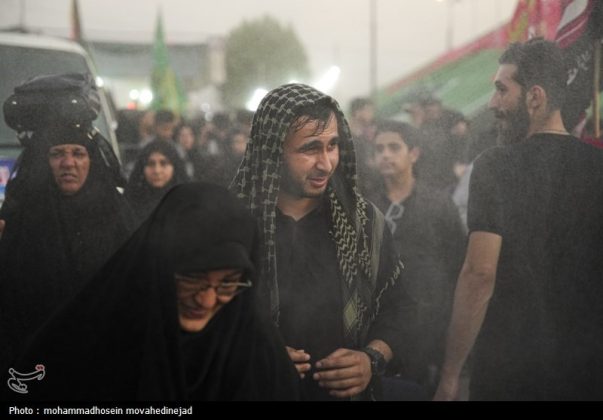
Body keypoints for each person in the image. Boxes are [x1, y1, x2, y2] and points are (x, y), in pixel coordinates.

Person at [3, 183, 300, 401]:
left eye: (228, 283)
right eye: (192, 278)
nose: (207, 299)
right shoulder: (86, 342)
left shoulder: (261, 355)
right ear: (158, 265)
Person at [434, 38, 603, 401]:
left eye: (501, 90)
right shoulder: (598, 168)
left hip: (509, 372)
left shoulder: (495, 166)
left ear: (535, 96)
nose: (493, 102)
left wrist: (449, 374)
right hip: (585, 373)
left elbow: (479, 274)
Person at [231, 83, 413, 401]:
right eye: (310, 148)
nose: (326, 163)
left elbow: (399, 307)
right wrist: (250, 355)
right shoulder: (231, 226)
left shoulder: (364, 224)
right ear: (272, 150)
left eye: (332, 146)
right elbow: (195, 320)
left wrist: (371, 358)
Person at [0, 115, 134, 371]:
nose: (68, 163)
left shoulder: (115, 214)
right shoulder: (24, 219)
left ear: (91, 160)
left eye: (78, 153)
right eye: (57, 154)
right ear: (44, 162)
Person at [368, 120, 465, 396]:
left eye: (394, 147)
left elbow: (457, 263)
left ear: (414, 153)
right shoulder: (366, 206)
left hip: (430, 328)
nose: (385, 154)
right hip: (380, 330)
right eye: (379, 149)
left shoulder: (438, 204)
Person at [124, 139, 189, 225]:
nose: (157, 171)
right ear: (142, 167)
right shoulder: (132, 202)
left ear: (174, 167)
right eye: (151, 164)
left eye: (163, 163)